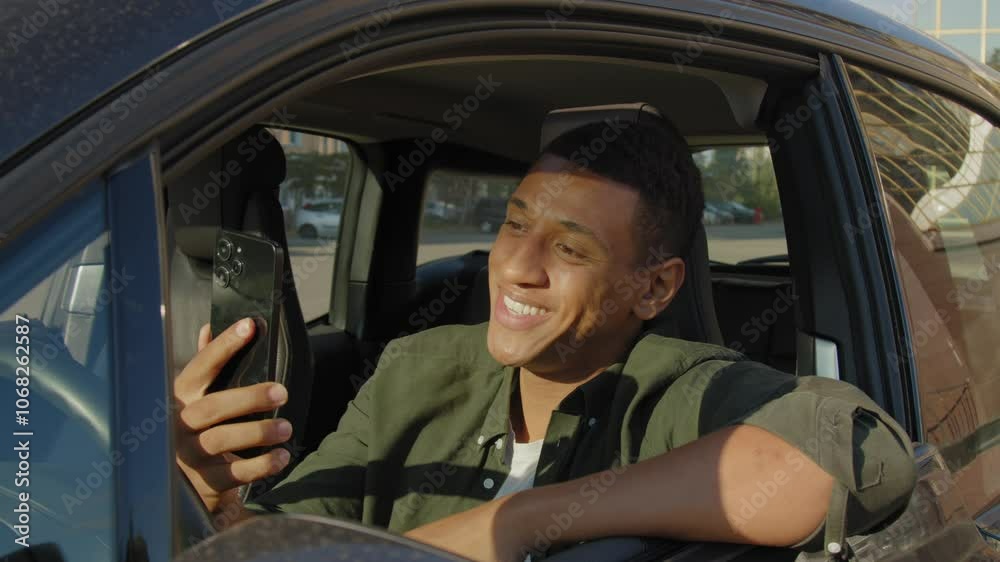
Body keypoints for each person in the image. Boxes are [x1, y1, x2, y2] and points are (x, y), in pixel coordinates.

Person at [174, 115, 916, 562]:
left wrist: (519, 520)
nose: (515, 270)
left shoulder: (684, 393)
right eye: (516, 224)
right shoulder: (415, 371)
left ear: (655, 287)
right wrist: (210, 499)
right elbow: (293, 542)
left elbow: (850, 457)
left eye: (570, 249)